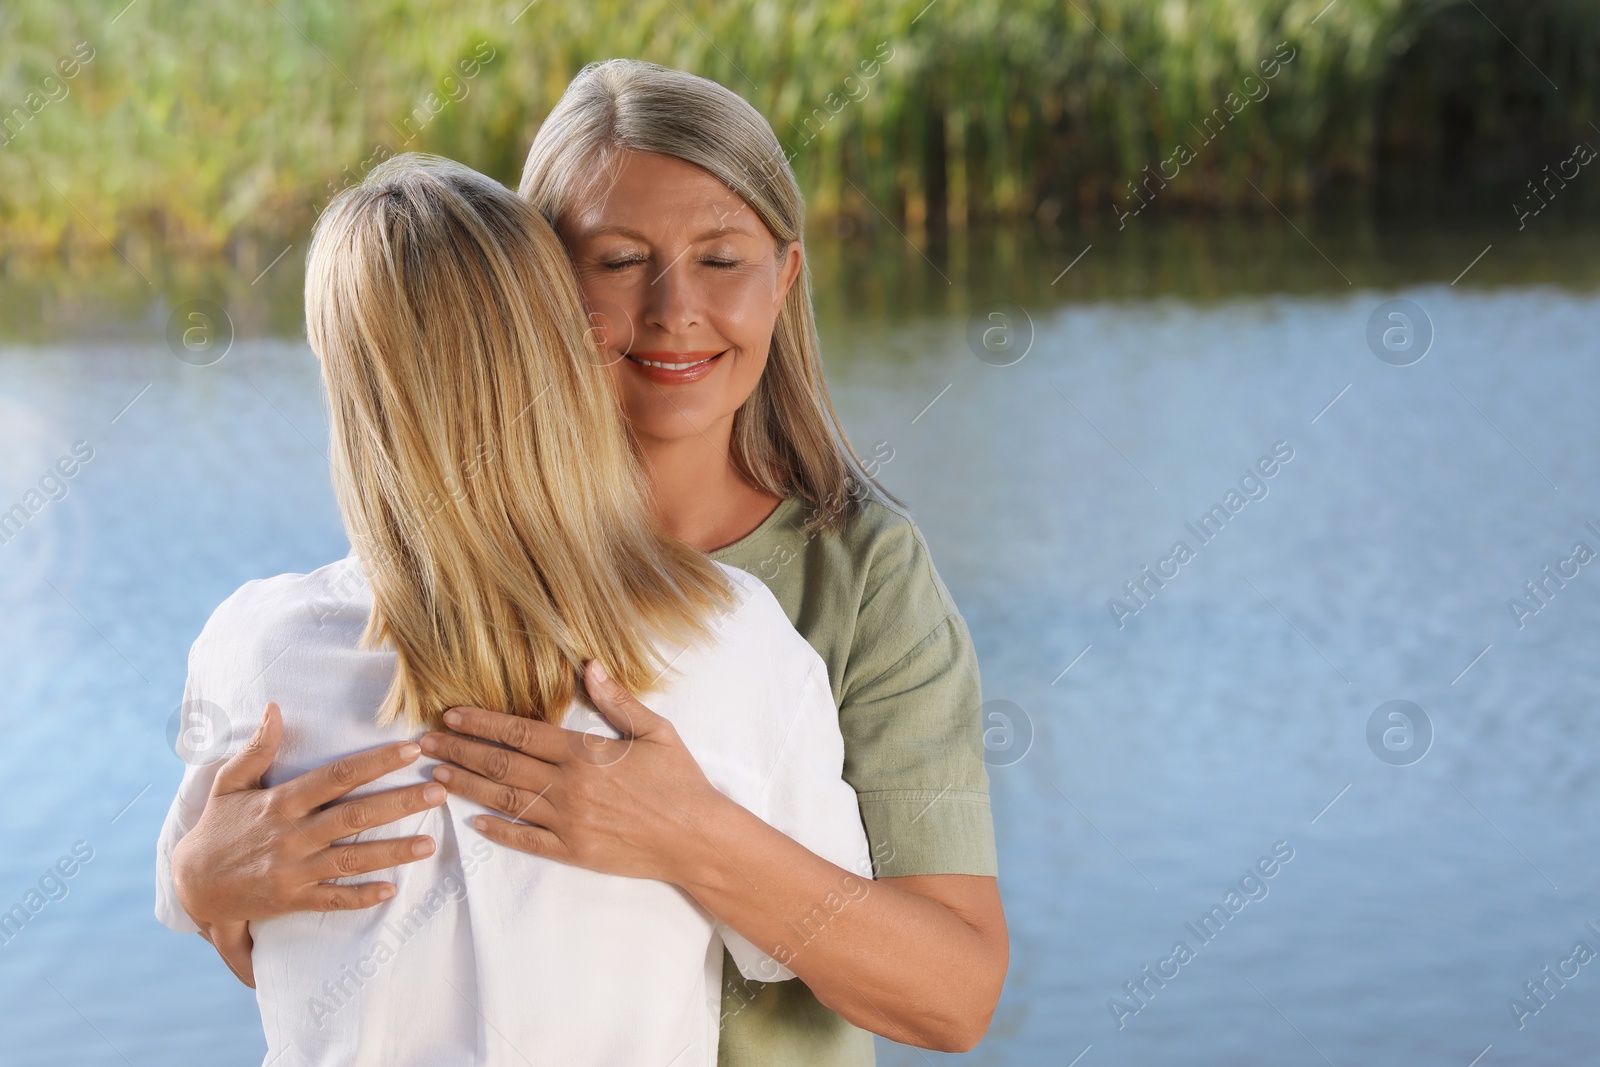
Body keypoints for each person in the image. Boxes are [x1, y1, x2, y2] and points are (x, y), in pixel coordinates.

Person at [164, 60, 1008, 1062]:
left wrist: (687, 832)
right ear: (534, 287)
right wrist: (198, 881)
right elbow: (343, 948)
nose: (672, 309)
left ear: (784, 277)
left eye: (722, 258)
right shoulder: (376, 593)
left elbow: (952, 999)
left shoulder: (846, 579)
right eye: (616, 259)